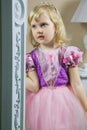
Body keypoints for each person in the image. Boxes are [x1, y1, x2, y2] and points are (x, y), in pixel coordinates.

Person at [26, 2, 87, 130]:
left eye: (43, 24)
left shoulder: (68, 53)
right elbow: (34, 86)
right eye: (34, 26)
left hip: (64, 102)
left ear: (56, 26)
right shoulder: (31, 57)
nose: (39, 30)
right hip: (40, 105)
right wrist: (15, 74)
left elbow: (76, 84)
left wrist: (86, 107)